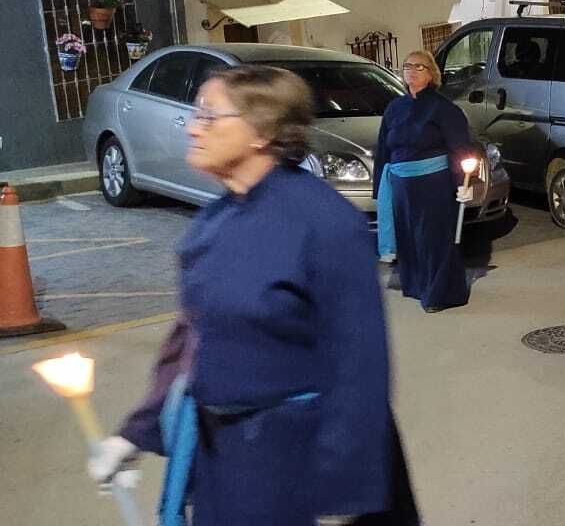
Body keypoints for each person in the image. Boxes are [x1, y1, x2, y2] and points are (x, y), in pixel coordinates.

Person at [88, 65, 419, 524]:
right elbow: (191, 339)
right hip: (222, 458)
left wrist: (342, 493)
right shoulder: (212, 222)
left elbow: (359, 365)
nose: (193, 126)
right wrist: (136, 433)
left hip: (293, 464)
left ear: (260, 132)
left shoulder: (324, 223)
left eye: (209, 115)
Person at [375, 50, 476, 313]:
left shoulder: (443, 108)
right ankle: (417, 286)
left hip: (433, 184)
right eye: (407, 66)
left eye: (419, 67)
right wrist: (380, 188)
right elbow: (383, 149)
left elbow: (460, 146)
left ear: (431, 73)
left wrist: (464, 183)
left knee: (433, 239)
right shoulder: (394, 108)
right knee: (409, 238)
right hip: (400, 184)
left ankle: (438, 294)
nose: (411, 71)